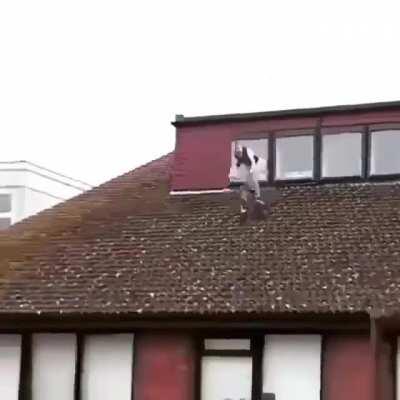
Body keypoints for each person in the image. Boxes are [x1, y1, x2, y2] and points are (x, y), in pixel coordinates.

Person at [234, 145, 265, 214]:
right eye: (238, 154)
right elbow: (238, 164)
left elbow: (253, 161)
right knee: (247, 183)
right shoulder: (237, 156)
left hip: (257, 164)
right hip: (248, 166)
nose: (239, 155)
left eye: (240, 153)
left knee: (253, 179)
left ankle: (257, 197)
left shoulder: (248, 151)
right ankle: (246, 201)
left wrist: (251, 170)